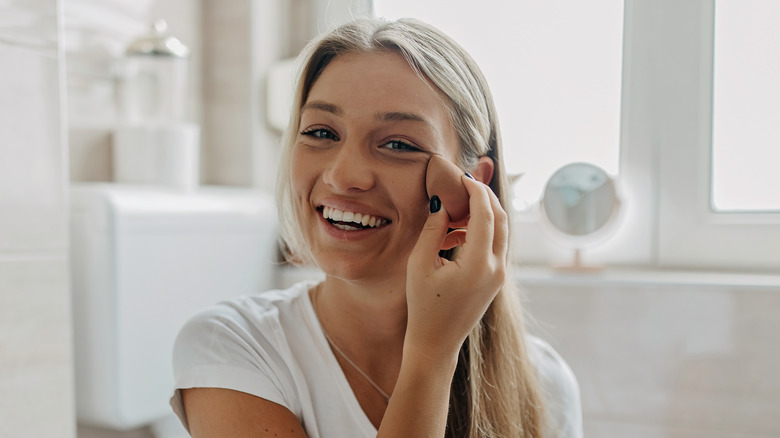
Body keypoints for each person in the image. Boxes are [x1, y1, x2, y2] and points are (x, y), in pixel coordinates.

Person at [170, 17, 582, 438]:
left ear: (473, 185)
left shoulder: (545, 383)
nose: (343, 175)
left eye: (398, 144)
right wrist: (431, 355)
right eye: (321, 132)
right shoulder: (233, 348)